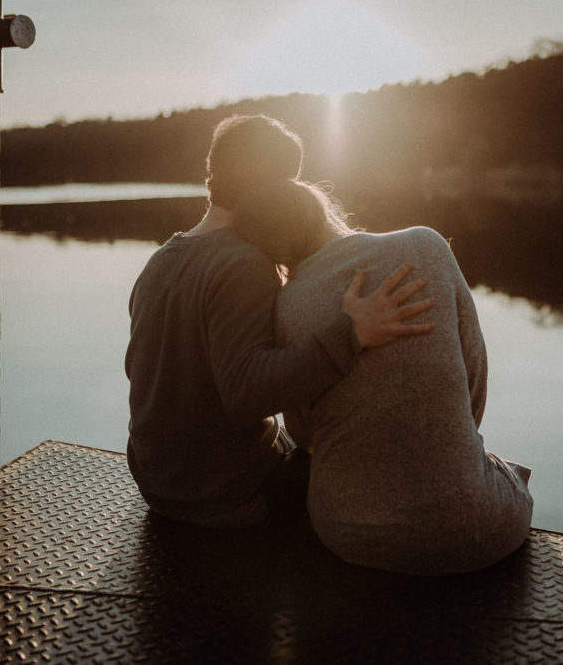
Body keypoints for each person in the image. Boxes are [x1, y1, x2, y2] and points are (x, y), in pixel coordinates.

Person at [125, 115, 435, 530]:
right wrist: (352, 332)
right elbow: (247, 394)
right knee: (365, 469)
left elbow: (140, 370)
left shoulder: (161, 259)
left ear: (211, 173)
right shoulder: (242, 263)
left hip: (158, 485)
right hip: (225, 497)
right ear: (276, 188)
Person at [233, 179, 534, 575]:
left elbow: (306, 434)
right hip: (476, 531)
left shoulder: (288, 305)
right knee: (513, 475)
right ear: (321, 208)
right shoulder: (427, 246)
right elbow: (473, 389)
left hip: (349, 536)